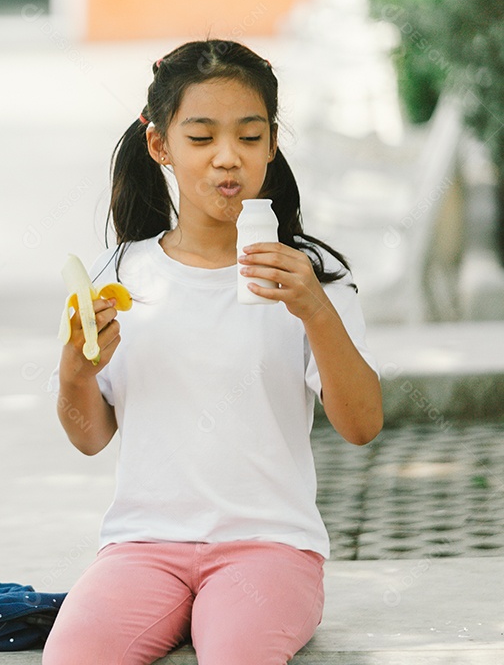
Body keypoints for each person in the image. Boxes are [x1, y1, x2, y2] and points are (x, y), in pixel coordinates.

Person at [42, 39, 383, 665]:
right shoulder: (119, 274)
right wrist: (73, 372)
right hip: (142, 547)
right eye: (201, 139)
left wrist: (314, 311)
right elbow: (91, 437)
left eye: (249, 138)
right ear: (160, 146)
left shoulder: (314, 276)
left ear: (272, 143)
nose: (228, 159)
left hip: (269, 548)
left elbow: (361, 426)